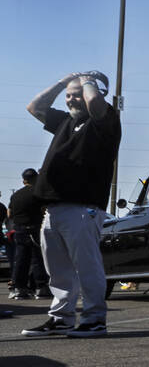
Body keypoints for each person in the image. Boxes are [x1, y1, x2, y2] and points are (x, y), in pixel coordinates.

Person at [19, 71, 121, 338]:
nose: (72, 100)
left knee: (87, 266)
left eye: (78, 94)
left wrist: (88, 81)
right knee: (58, 271)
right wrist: (62, 83)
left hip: (82, 208)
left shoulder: (105, 120)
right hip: (53, 208)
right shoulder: (65, 121)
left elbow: (96, 105)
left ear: (94, 92)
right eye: (69, 96)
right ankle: (61, 318)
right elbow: (35, 107)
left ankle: (95, 319)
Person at [7, 168, 48, 300]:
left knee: (20, 260)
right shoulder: (38, 193)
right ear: (36, 178)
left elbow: (9, 213)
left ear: (24, 180)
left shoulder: (15, 195)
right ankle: (41, 287)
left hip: (19, 230)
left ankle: (19, 288)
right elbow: (44, 210)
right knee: (38, 259)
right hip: (35, 229)